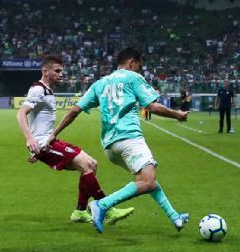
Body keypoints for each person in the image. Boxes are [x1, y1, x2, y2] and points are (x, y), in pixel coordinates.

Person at [48, 47, 190, 234]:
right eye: (139, 66)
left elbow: (75, 111)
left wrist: (54, 133)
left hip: (110, 147)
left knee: (147, 180)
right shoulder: (133, 78)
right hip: (130, 139)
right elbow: (152, 106)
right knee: (147, 181)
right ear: (132, 62)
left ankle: (174, 217)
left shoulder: (100, 84)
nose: (139, 70)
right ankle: (102, 205)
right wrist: (177, 115)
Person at [17, 55, 133, 225]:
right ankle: (107, 209)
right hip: (43, 144)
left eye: (61, 71)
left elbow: (38, 123)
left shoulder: (48, 90)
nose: (61, 74)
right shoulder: (38, 90)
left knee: (92, 164)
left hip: (47, 143)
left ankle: (79, 211)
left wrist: (38, 149)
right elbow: (21, 114)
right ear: (45, 71)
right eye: (57, 71)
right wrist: (30, 140)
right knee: (86, 165)